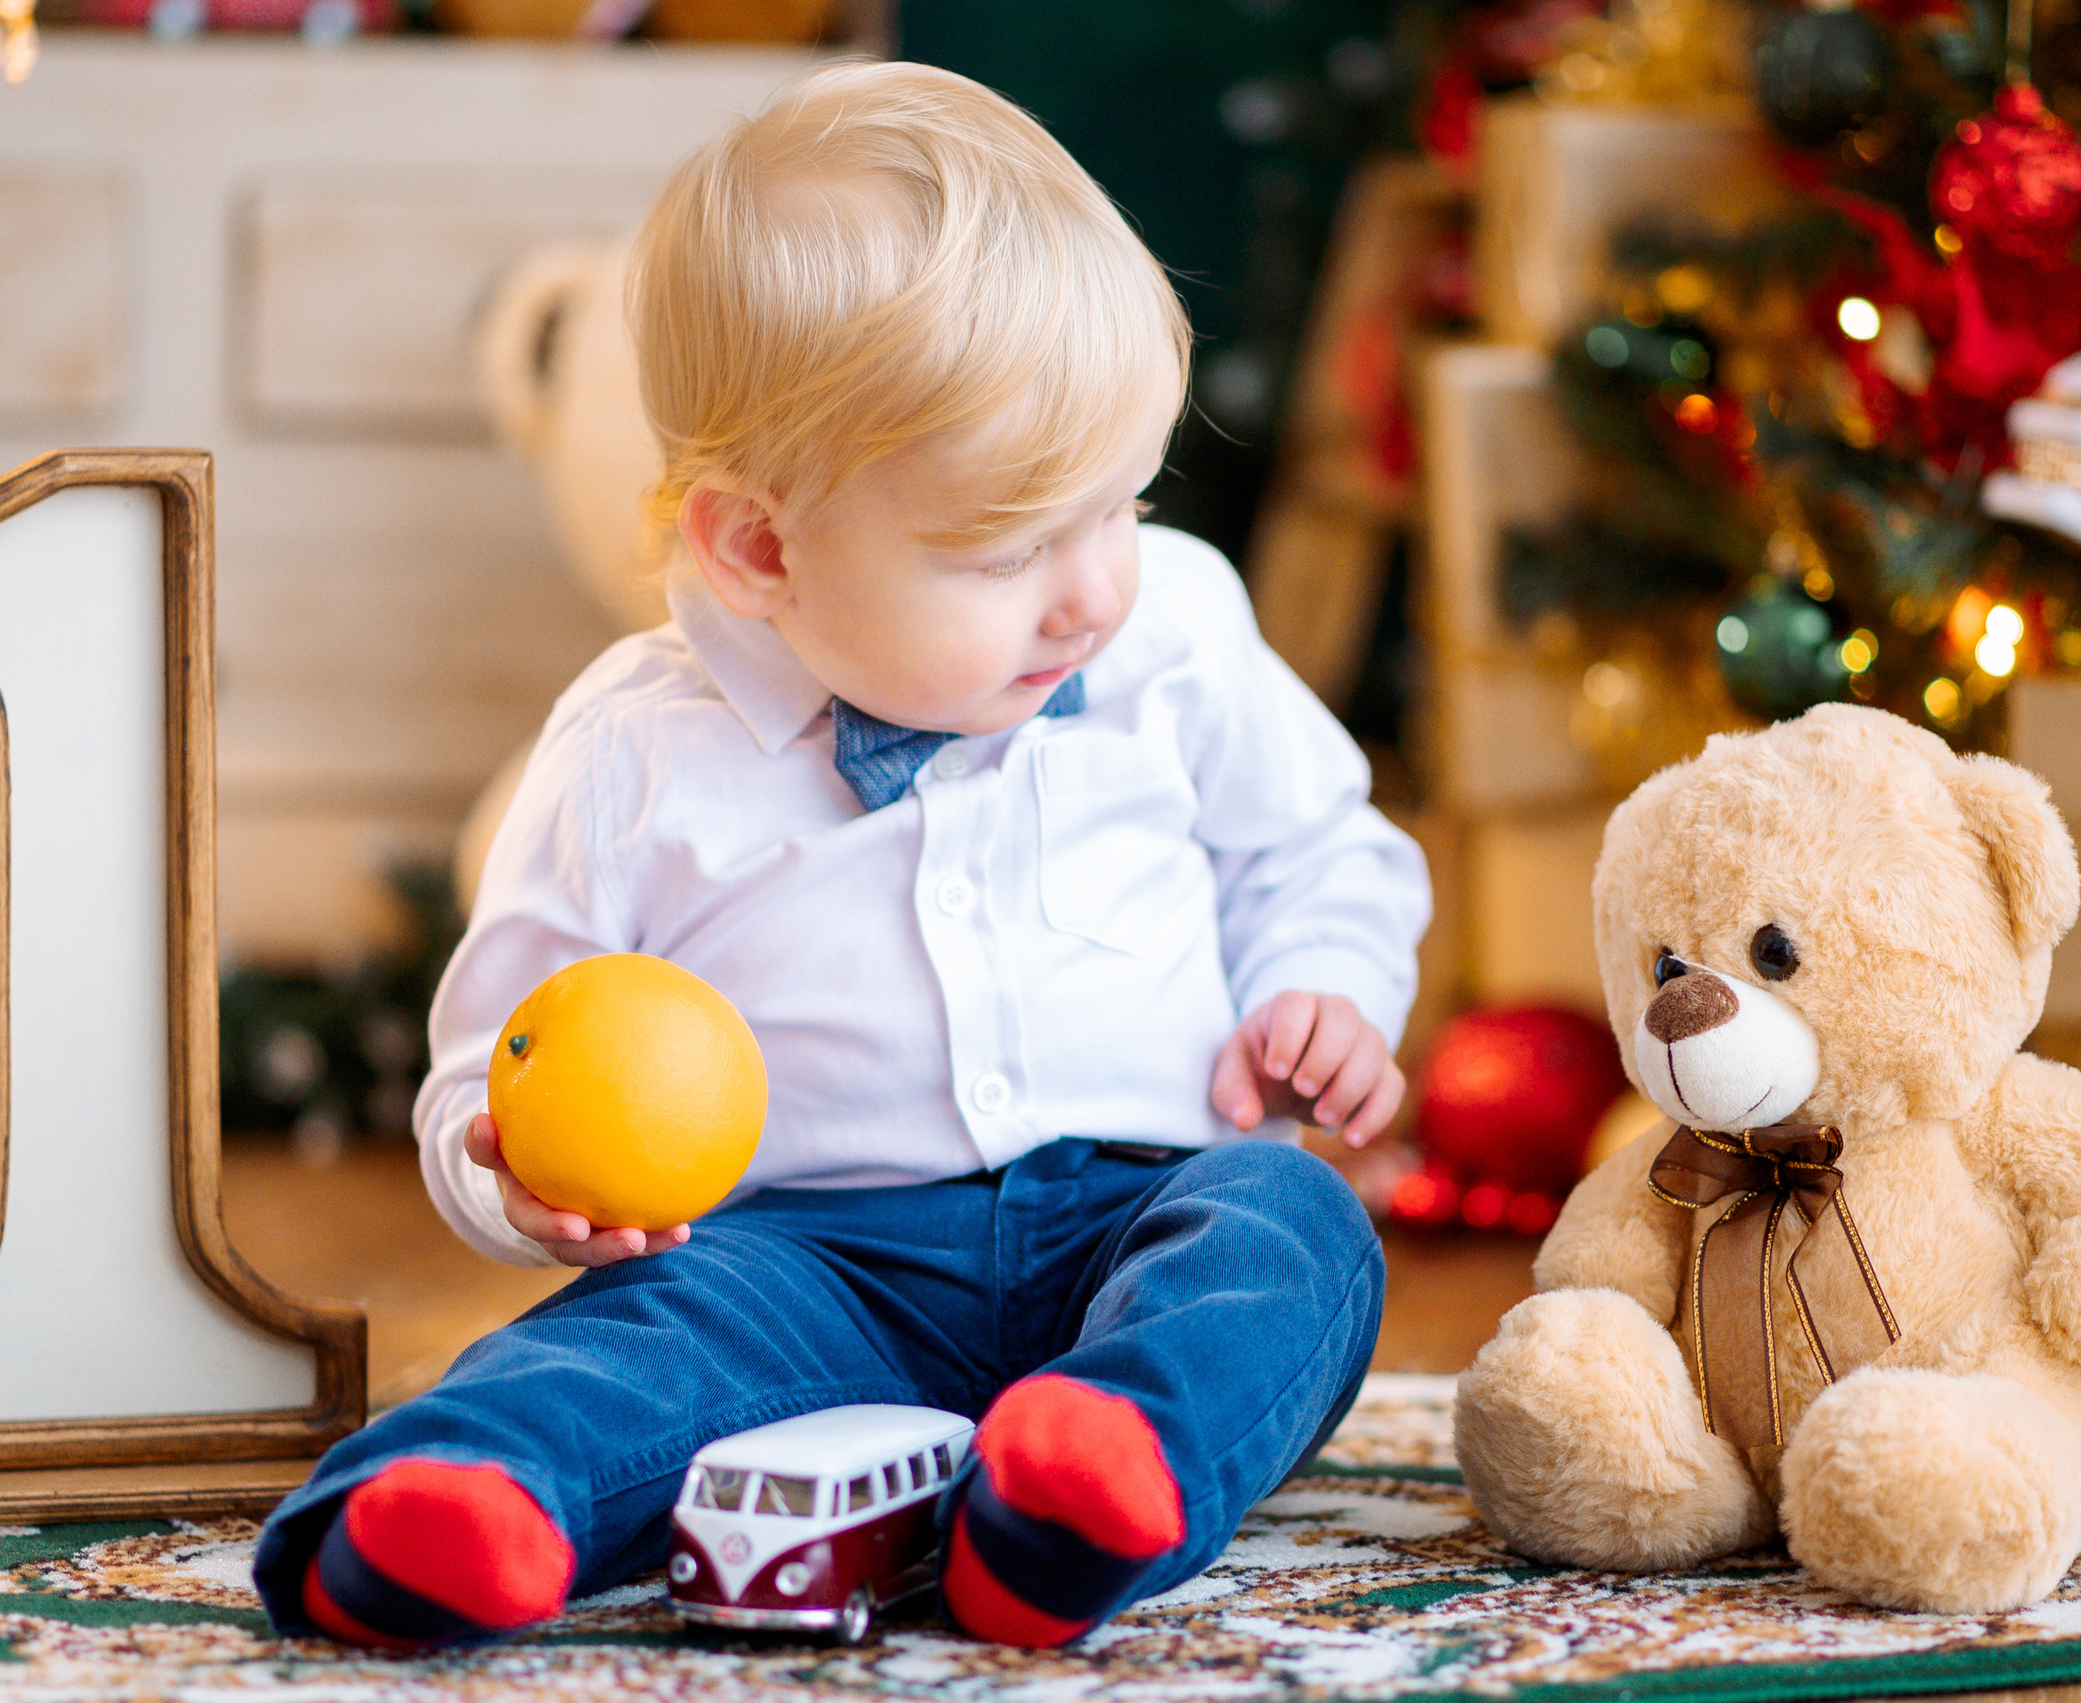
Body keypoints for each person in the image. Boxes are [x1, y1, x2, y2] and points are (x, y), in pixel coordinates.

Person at [252, 58, 1430, 1652]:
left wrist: (1324, 985)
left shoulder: (1183, 638)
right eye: (1011, 546)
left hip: (1134, 1219)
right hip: (804, 1263)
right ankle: (459, 1500)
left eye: (1125, 507)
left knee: (1295, 1243)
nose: (1093, 590)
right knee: (640, 1342)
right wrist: (515, 1171)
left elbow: (1321, 851)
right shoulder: (634, 752)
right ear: (759, 547)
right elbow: (495, 1054)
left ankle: (1090, 1485)